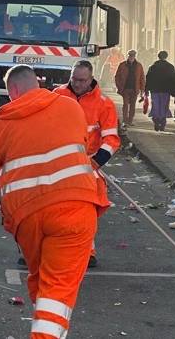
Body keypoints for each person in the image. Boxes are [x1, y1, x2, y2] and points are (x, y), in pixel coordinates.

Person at [0, 65, 107, 338]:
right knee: (57, 288)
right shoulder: (71, 108)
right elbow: (78, 146)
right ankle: (46, 332)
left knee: (43, 283)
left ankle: (47, 328)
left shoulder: (0, 127)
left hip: (28, 216)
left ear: (12, 91)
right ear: (37, 83)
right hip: (75, 207)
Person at [53, 60, 118, 268]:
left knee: (86, 210)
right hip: (58, 162)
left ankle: (87, 251)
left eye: (82, 80)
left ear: (91, 79)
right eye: (74, 79)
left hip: (87, 163)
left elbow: (111, 139)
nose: (77, 84)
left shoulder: (103, 103)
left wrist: (96, 162)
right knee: (52, 208)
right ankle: (46, 249)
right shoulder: (56, 96)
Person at [145, 51, 175, 131]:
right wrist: (173, 90)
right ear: (166, 57)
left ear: (158, 57)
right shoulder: (170, 67)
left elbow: (148, 79)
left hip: (155, 90)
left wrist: (146, 89)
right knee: (164, 106)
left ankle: (156, 120)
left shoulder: (153, 67)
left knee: (156, 105)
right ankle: (162, 122)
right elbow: (173, 80)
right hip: (166, 90)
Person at [114, 49, 145, 128]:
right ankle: (125, 121)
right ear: (128, 56)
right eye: (130, 55)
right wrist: (119, 86)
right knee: (125, 105)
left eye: (133, 56)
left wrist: (142, 90)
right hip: (125, 89)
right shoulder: (122, 65)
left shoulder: (139, 65)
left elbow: (142, 78)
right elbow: (117, 76)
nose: (131, 57)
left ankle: (130, 120)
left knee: (132, 105)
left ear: (135, 56)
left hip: (135, 89)